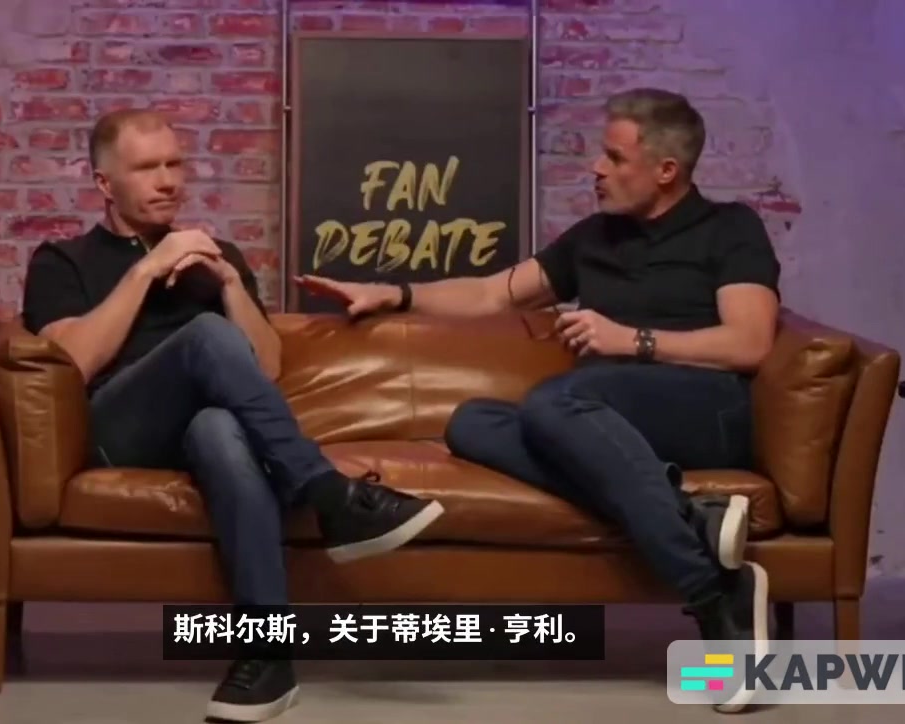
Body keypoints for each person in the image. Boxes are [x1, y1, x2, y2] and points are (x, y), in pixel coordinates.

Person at [296, 87, 778, 713]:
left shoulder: (730, 229)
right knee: (472, 422)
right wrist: (396, 295)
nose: (597, 169)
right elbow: (492, 294)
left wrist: (633, 340)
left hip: (704, 408)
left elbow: (749, 343)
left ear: (666, 170)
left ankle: (712, 594)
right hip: (601, 417)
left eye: (614, 157)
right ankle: (688, 517)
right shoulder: (595, 238)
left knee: (555, 402)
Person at [19, 108, 445, 723]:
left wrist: (228, 286)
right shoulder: (62, 260)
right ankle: (329, 493)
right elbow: (72, 363)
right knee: (205, 337)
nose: (168, 180)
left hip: (200, 431)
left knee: (218, 427)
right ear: (104, 183)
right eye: (147, 168)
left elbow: (265, 368)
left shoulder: (218, 258)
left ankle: (267, 658)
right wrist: (147, 268)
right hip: (118, 431)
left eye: (174, 164)